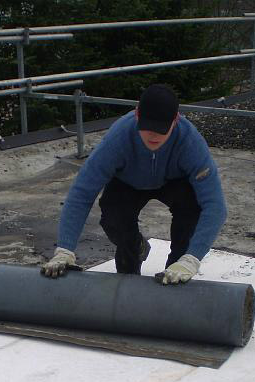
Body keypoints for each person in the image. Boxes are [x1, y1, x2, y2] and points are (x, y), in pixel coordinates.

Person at [40, 83, 227, 285]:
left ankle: (176, 274)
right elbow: (81, 193)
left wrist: (192, 258)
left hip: (174, 182)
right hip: (128, 183)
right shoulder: (118, 138)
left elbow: (215, 205)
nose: (153, 135)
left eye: (161, 129)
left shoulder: (190, 142)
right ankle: (132, 265)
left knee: (191, 212)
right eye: (147, 127)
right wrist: (65, 249)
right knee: (116, 221)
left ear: (175, 121)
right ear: (137, 115)